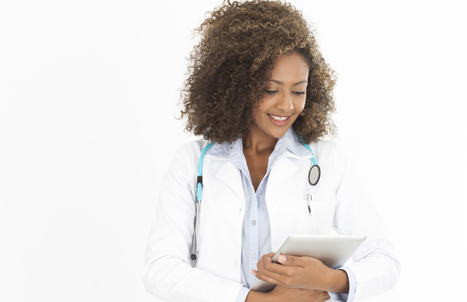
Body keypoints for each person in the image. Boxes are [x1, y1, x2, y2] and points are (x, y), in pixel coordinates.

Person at [143, 1, 400, 301]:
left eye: (298, 90)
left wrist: (329, 278)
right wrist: (254, 300)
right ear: (239, 86)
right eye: (270, 89)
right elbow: (159, 270)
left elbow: (386, 261)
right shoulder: (192, 163)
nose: (287, 105)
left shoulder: (328, 161)